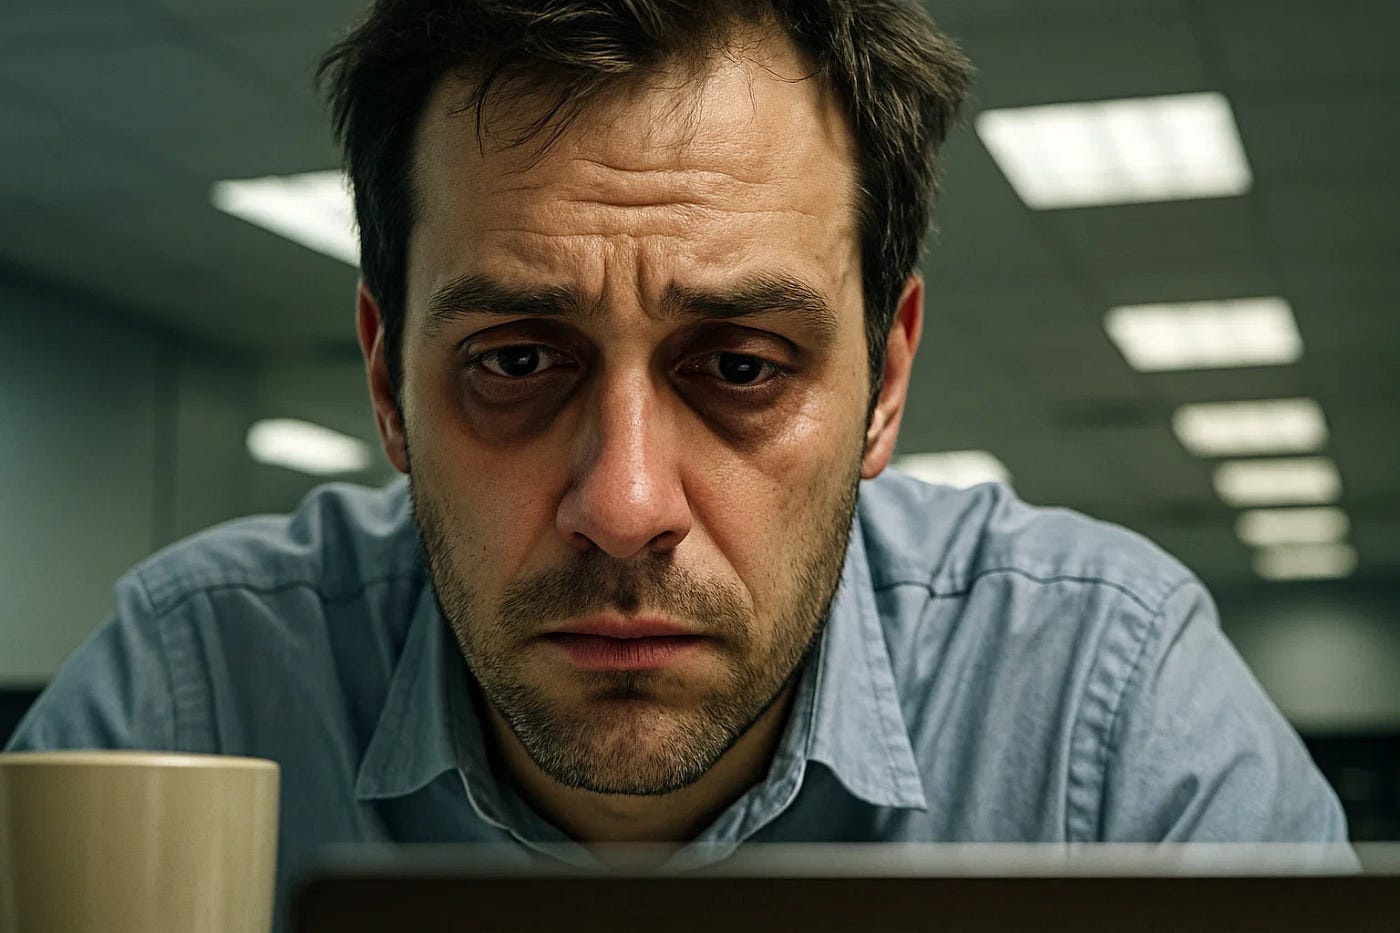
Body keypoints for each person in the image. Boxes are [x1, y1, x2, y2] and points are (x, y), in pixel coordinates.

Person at [8, 0, 1346, 927]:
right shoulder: (192, 694)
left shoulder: (1104, 716)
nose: (627, 505)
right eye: (518, 363)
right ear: (387, 378)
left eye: (744, 367)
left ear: (885, 376)